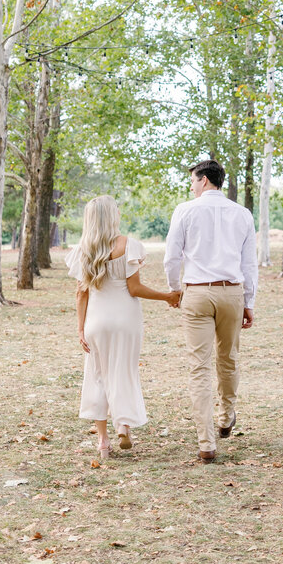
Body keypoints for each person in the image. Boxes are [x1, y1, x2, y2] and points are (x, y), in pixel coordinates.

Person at [66, 195, 179, 460]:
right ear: (111, 216)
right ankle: (124, 425)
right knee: (123, 372)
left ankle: (103, 442)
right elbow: (134, 288)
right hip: (126, 319)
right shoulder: (128, 245)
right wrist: (167, 296)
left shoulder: (83, 250)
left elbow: (81, 294)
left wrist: (81, 330)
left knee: (96, 375)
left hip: (97, 321)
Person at [164, 160, 257, 463]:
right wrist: (249, 302)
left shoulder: (185, 210)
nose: (191, 186)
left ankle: (206, 442)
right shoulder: (242, 214)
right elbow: (249, 264)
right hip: (232, 292)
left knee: (199, 367)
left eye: (193, 180)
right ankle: (226, 415)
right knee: (228, 358)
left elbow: (171, 256)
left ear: (204, 180)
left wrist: (174, 288)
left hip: (198, 293)